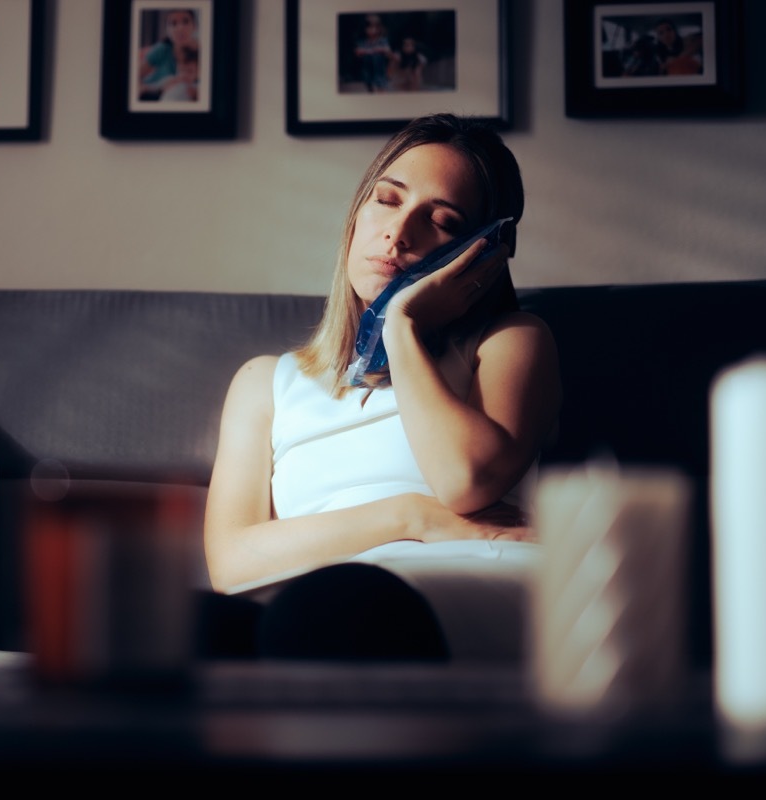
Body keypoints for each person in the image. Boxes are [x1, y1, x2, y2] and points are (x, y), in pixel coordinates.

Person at [200, 113, 561, 660]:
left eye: (441, 221)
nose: (399, 233)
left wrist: (402, 325)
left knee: (330, 611)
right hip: (305, 603)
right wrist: (413, 517)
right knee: (185, 624)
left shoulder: (512, 341)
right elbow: (230, 563)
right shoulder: (264, 383)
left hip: (463, 582)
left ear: (483, 254)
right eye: (387, 200)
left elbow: (465, 481)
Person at [139, 9, 198, 101]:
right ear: (167, 30)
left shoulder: (203, 52)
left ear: (194, 26)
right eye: (173, 23)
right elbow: (135, 75)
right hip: (151, 94)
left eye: (186, 22)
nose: (180, 28)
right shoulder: (163, 48)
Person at [354, 14, 393, 93]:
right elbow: (357, 52)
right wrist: (369, 51)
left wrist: (377, 49)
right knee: (370, 87)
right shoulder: (363, 41)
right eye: (370, 27)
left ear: (379, 28)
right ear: (364, 29)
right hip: (367, 70)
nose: (373, 30)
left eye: (375, 27)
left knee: (381, 87)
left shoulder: (382, 40)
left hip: (380, 70)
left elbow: (388, 50)